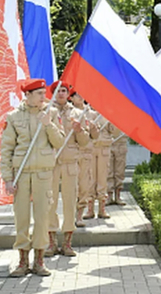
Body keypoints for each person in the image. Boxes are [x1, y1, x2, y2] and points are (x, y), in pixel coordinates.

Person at [1, 79, 65, 277]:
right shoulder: (13, 117)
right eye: (38, 93)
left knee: (42, 218)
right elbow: (6, 150)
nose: (43, 97)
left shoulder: (51, 114)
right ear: (27, 95)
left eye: (43, 93)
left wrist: (48, 125)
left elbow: (59, 141)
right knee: (21, 217)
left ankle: (39, 261)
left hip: (43, 174)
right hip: (21, 174)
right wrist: (8, 179)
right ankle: (22, 261)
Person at [46, 82, 89, 257]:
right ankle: (51, 242)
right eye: (58, 91)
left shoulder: (78, 114)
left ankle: (67, 243)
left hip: (70, 162)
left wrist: (79, 131)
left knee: (70, 202)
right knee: (50, 202)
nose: (61, 93)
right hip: (52, 162)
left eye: (64, 90)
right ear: (53, 93)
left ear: (68, 93)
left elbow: (85, 141)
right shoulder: (47, 112)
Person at [70, 91, 100, 228]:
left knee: (84, 185)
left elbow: (96, 136)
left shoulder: (91, 113)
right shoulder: (68, 113)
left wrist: (93, 129)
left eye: (82, 93)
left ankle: (79, 215)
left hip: (86, 154)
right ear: (71, 98)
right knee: (70, 186)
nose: (80, 96)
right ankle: (69, 215)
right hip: (71, 154)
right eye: (76, 94)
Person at [87, 112, 117, 220]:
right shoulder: (87, 113)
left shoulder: (106, 113)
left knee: (102, 178)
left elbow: (113, 130)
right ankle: (90, 209)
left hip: (104, 148)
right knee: (90, 179)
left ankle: (102, 208)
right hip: (90, 147)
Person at [107, 126, 128, 206]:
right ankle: (109, 196)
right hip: (108, 142)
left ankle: (118, 196)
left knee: (120, 171)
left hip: (121, 142)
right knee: (109, 171)